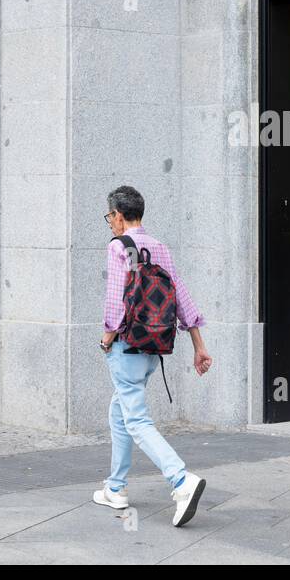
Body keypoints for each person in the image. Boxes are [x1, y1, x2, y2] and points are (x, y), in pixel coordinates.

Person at [94, 185, 212, 527]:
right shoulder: (158, 247)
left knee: (137, 420)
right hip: (155, 346)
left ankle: (180, 480)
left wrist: (105, 339)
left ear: (118, 214)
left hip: (126, 345)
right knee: (121, 410)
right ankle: (115, 488)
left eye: (110, 217)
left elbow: (117, 301)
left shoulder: (119, 247)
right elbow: (181, 295)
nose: (110, 223)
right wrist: (199, 345)